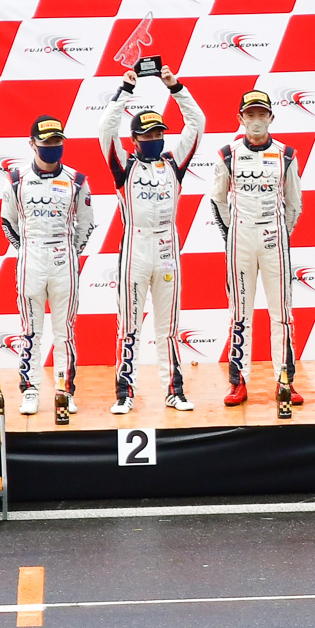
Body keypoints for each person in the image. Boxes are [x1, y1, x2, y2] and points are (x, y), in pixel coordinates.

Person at [99, 65, 204, 414]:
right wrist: (124, 91)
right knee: (129, 326)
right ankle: (124, 393)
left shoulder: (174, 163)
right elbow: (105, 130)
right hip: (135, 249)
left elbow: (197, 123)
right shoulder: (123, 166)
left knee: (168, 327)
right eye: (147, 135)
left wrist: (175, 87)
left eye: (159, 133)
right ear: (134, 140)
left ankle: (174, 391)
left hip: (168, 249)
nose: (154, 139)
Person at [211, 90, 304, 406]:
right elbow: (218, 200)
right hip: (240, 240)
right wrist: (232, 235)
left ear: (271, 118)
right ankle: (238, 382)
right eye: (250, 114)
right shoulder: (228, 154)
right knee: (240, 314)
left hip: (274, 240)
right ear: (240, 118)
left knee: (282, 314)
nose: (256, 120)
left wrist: (281, 234)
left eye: (261, 114)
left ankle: (285, 380)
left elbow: (294, 203)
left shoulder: (286, 154)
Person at [0, 116, 94, 416]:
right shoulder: (16, 179)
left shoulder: (77, 180)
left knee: (65, 331)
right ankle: (30, 391)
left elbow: (86, 225)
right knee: (31, 330)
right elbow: (7, 222)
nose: (52, 146)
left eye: (57, 141)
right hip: (31, 259)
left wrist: (71, 252)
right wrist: (27, 250)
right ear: (32, 144)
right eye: (47, 142)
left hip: (63, 258)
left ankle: (64, 391)